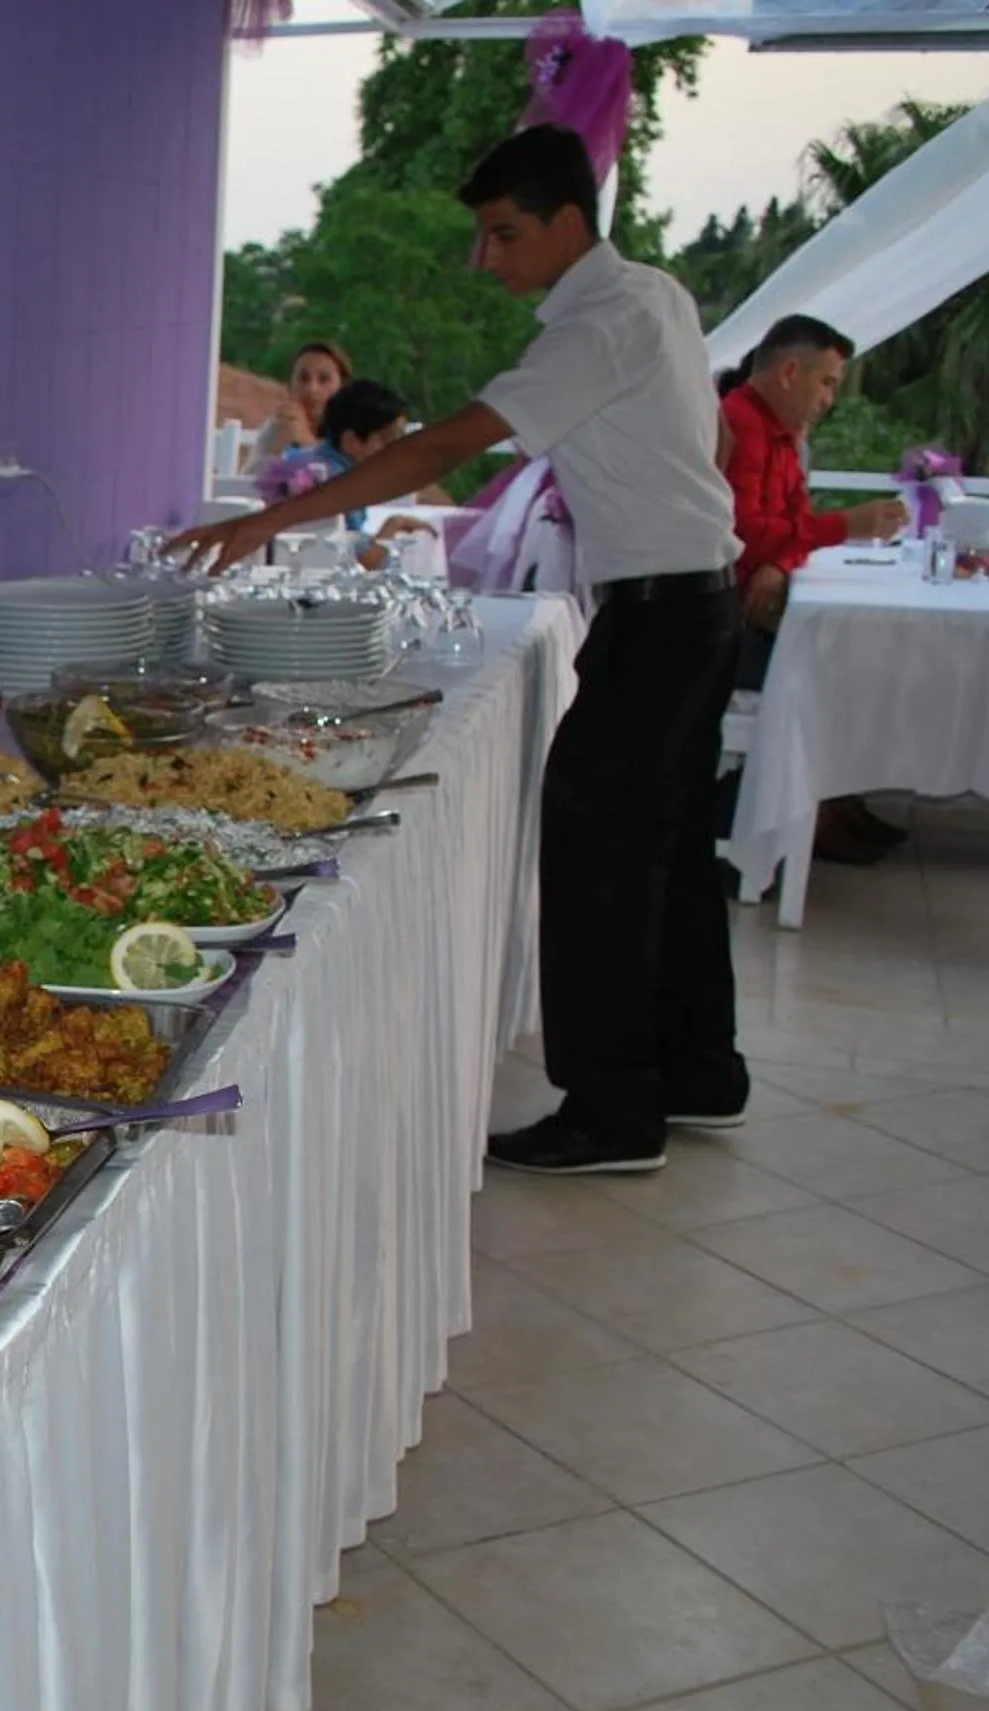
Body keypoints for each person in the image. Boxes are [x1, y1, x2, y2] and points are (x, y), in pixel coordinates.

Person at [173, 124, 743, 1176]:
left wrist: (263, 525)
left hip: (660, 613)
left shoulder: (598, 323)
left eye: (503, 234)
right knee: (668, 850)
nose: (487, 259)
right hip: (697, 598)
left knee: (600, 851)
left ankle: (614, 1112)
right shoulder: (654, 294)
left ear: (568, 222)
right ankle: (700, 1068)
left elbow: (439, 447)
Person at [717, 314, 912, 863]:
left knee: (856, 660)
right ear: (789, 372)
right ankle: (794, 820)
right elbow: (745, 532)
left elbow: (792, 527)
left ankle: (830, 804)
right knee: (838, 668)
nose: (829, 399)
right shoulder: (740, 425)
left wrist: (779, 562)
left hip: (760, 602)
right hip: (722, 623)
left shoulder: (783, 434)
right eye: (826, 383)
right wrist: (845, 526)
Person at [272, 379, 437, 566]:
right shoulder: (342, 486)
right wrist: (394, 526)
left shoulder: (307, 459)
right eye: (388, 440)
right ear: (351, 442)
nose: (396, 450)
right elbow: (359, 566)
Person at [250, 341, 353, 466]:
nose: (312, 389)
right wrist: (274, 451)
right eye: (303, 378)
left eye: (324, 379)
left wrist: (306, 443)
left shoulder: (352, 433)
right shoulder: (278, 425)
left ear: (342, 386)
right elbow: (245, 480)